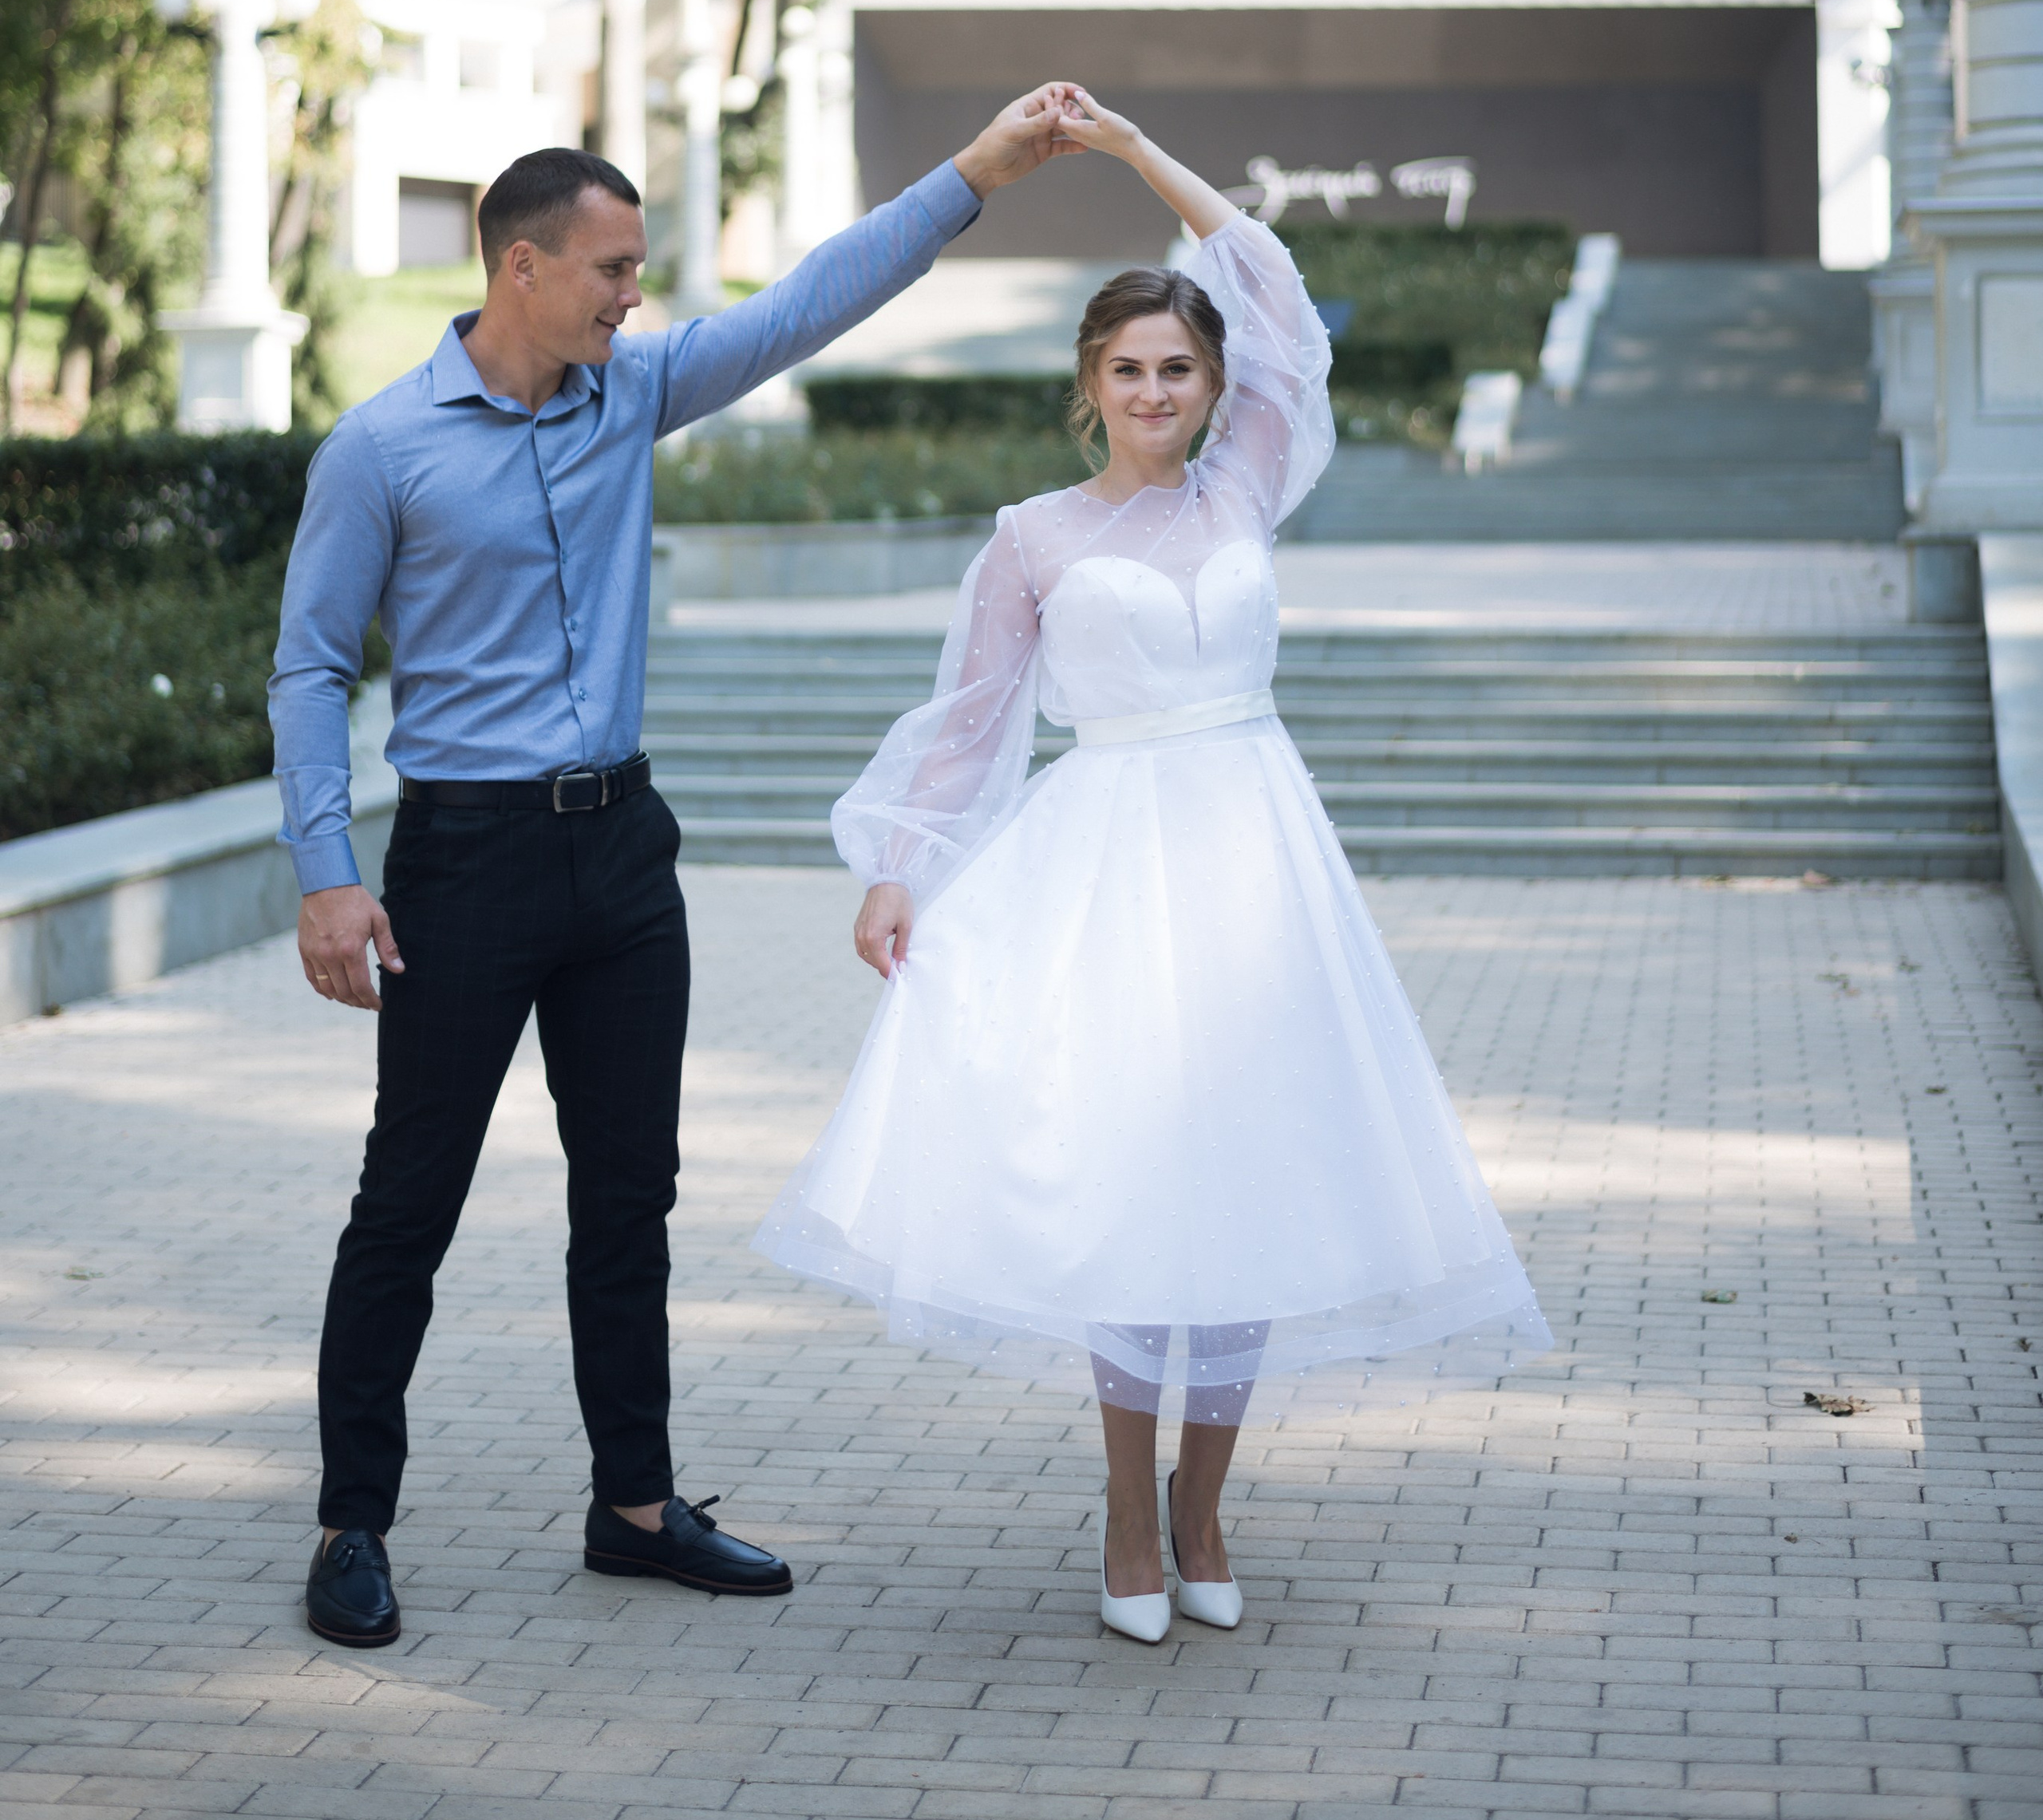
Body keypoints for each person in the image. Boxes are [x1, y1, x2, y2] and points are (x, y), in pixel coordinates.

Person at [271, 93, 1079, 1648]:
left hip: (623, 857)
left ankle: (633, 1507)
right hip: (463, 858)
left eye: (636, 270)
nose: (634, 292)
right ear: (521, 266)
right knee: (409, 1200)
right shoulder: (380, 448)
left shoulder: (627, 392)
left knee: (629, 1191)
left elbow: (804, 304)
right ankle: (350, 1522)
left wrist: (974, 174)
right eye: (611, 266)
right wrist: (325, 868)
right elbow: (311, 670)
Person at [756, 91, 1551, 1643]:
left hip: (1255, 857)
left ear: (1205, 385)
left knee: (1241, 1176)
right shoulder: (1033, 539)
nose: (1154, 388)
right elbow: (970, 721)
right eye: (1125, 367)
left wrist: (1128, 155)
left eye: (1176, 366)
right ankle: (1127, 1508)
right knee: (1133, 1180)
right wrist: (897, 871)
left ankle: (1204, 1500)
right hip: (1111, 863)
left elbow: (1270, 286)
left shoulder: (1247, 479)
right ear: (1089, 385)